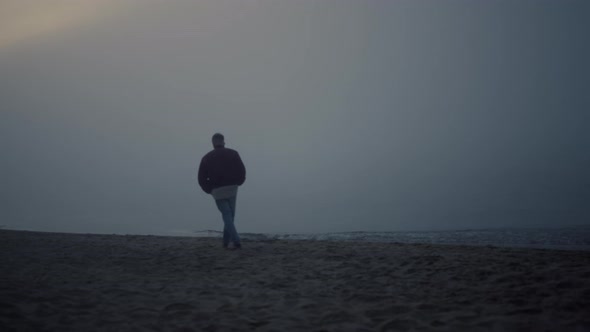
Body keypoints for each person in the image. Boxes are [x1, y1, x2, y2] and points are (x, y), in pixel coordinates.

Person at [198, 133, 246, 249]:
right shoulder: (233, 153)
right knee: (230, 215)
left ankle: (226, 242)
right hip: (232, 188)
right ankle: (236, 240)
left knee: (227, 215)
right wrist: (238, 182)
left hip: (217, 190)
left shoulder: (206, 157)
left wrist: (209, 190)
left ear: (213, 143)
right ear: (223, 142)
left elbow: (201, 178)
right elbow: (242, 171)